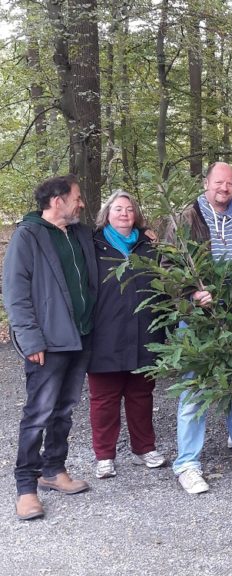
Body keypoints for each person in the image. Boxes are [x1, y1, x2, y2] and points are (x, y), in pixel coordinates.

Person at [3, 175, 97, 520]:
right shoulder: (28, 235)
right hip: (47, 343)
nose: (81, 203)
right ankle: (26, 488)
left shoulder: (80, 234)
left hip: (80, 337)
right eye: (77, 197)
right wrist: (30, 339)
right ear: (58, 201)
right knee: (38, 413)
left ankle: (54, 470)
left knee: (64, 410)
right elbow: (15, 293)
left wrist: (144, 233)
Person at [168, 162, 232, 495]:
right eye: (219, 182)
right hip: (200, 317)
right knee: (194, 388)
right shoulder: (186, 218)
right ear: (206, 182)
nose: (224, 188)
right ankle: (187, 464)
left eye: (230, 183)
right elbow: (169, 266)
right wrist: (192, 295)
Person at [87, 191, 166, 480]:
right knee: (103, 399)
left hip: (144, 331)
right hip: (104, 334)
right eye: (118, 209)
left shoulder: (148, 246)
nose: (124, 214)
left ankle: (144, 448)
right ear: (107, 214)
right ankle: (104, 455)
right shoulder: (92, 245)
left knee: (141, 395)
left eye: (129, 209)